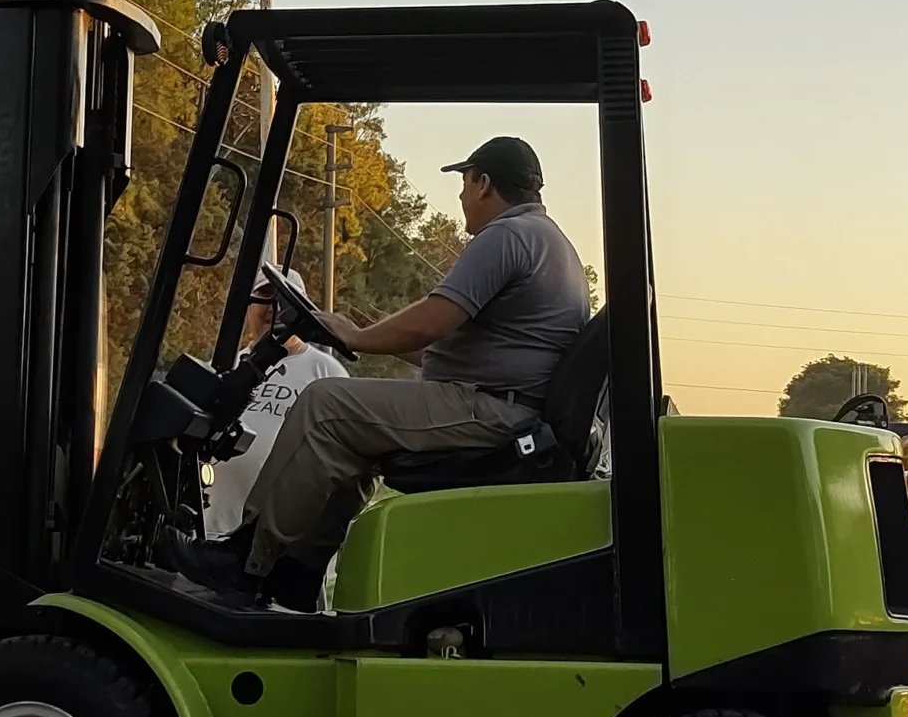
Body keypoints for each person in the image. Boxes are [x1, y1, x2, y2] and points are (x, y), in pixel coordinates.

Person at [163, 135, 589, 605]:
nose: (462, 195)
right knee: (348, 438)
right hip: (502, 406)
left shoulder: (508, 236)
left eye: (465, 183)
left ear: (484, 183)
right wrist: (363, 332)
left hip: (494, 411)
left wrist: (354, 337)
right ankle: (296, 576)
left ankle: (246, 559)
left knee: (325, 405)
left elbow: (430, 323)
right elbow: (454, 349)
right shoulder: (550, 243)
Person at [203, 267, 348, 542]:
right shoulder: (224, 367)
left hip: (282, 541)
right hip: (210, 529)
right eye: (264, 297)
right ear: (249, 307)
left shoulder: (328, 373)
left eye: (284, 300)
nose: (273, 307)